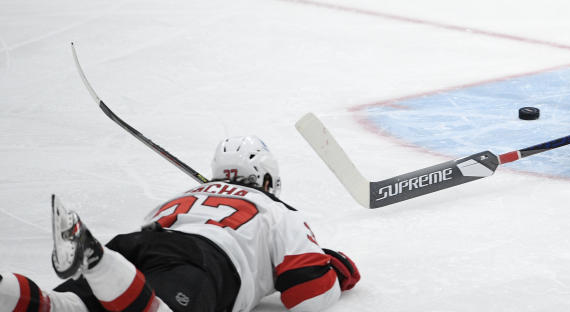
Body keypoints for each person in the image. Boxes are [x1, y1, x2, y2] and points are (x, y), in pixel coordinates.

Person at [0, 136, 360, 312]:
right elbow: (308, 296)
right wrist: (333, 269)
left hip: (140, 245)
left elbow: (152, 231)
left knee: (62, 308)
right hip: (202, 260)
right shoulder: (278, 210)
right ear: (268, 180)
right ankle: (96, 258)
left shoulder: (183, 196)